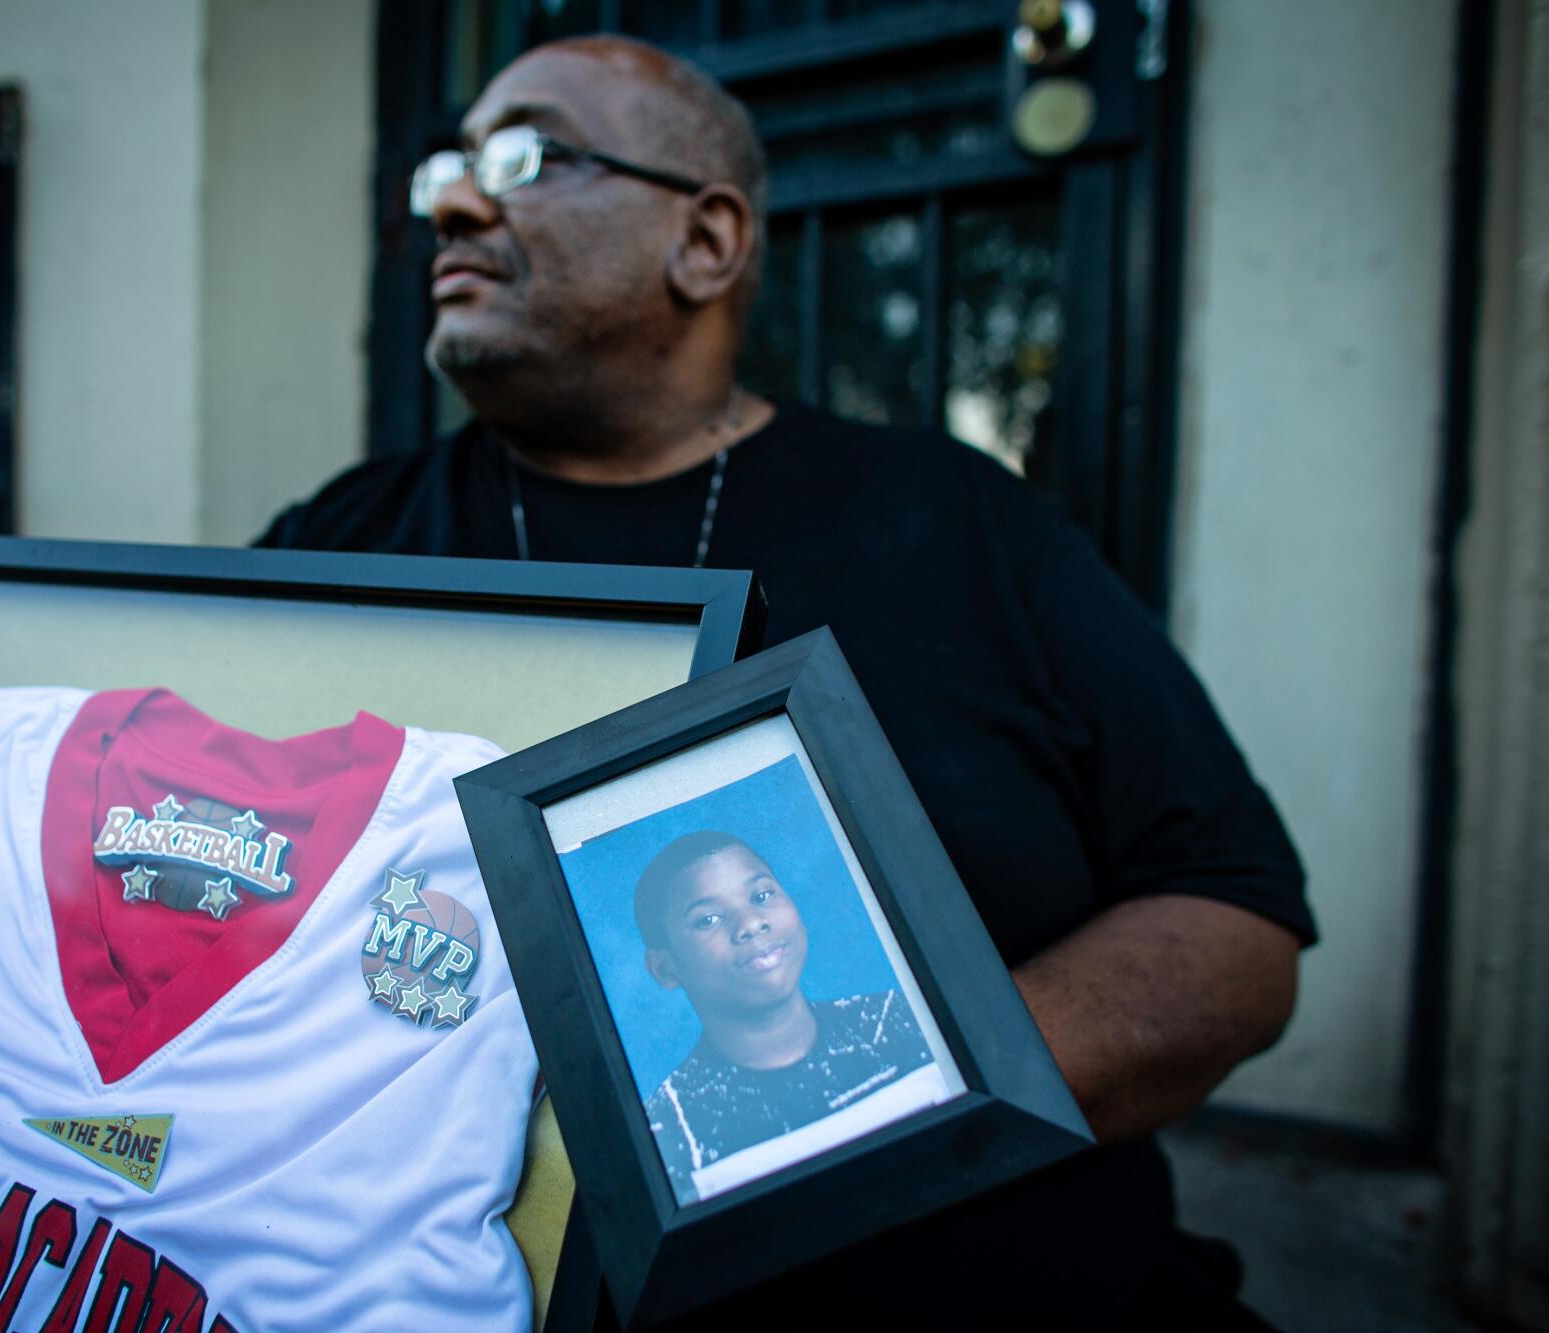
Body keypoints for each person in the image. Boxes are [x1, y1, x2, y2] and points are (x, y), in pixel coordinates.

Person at [258, 33, 1312, 1328]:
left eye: (526, 156)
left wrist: (845, 1112)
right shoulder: (333, 550)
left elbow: (1233, 922)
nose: (458, 202)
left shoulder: (962, 523)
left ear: (706, 242)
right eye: (451, 168)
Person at [633, 830, 939, 1205]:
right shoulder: (667, 1133)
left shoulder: (905, 1019)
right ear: (664, 969)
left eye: (762, 896)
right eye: (708, 919)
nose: (750, 923)